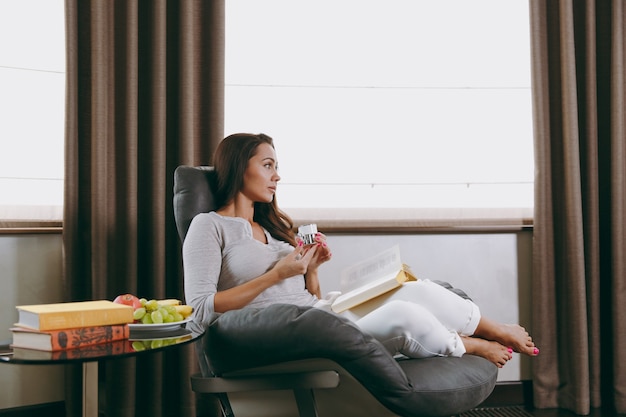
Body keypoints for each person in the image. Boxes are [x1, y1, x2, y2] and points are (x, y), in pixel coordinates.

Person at [183, 133, 539, 368]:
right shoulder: (208, 225)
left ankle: (494, 328)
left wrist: (311, 270)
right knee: (405, 315)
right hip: (289, 335)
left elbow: (307, 296)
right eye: (268, 165)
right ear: (237, 166)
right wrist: (277, 274)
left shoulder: (274, 229)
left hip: (322, 313)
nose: (277, 176)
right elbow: (199, 310)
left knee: (416, 289)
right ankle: (467, 344)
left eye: (277, 167)